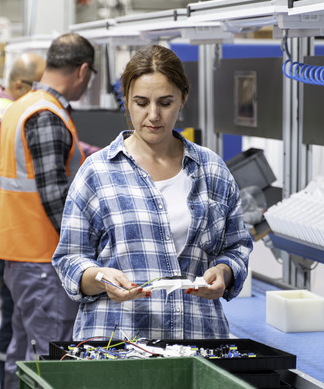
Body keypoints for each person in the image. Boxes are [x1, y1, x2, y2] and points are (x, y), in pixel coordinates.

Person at [52, 44, 253, 341]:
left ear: (183, 99)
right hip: (116, 340)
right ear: (126, 101)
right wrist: (101, 278)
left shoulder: (212, 169)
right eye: (141, 102)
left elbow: (237, 247)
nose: (153, 115)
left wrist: (223, 272)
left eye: (165, 102)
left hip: (196, 341)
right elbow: (70, 259)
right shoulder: (98, 172)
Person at [0, 33, 95, 389]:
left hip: (20, 255)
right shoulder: (46, 114)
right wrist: (88, 247)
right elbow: (56, 196)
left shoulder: (21, 105)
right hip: (44, 260)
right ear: (83, 71)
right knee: (50, 363)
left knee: (23, 356)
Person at [0, 52, 45, 389]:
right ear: (20, 85)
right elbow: (13, 176)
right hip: (7, 231)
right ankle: (6, 382)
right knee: (14, 320)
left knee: (14, 316)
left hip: (7, 229)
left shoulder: (7, 112)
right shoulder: (0, 121)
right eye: (37, 86)